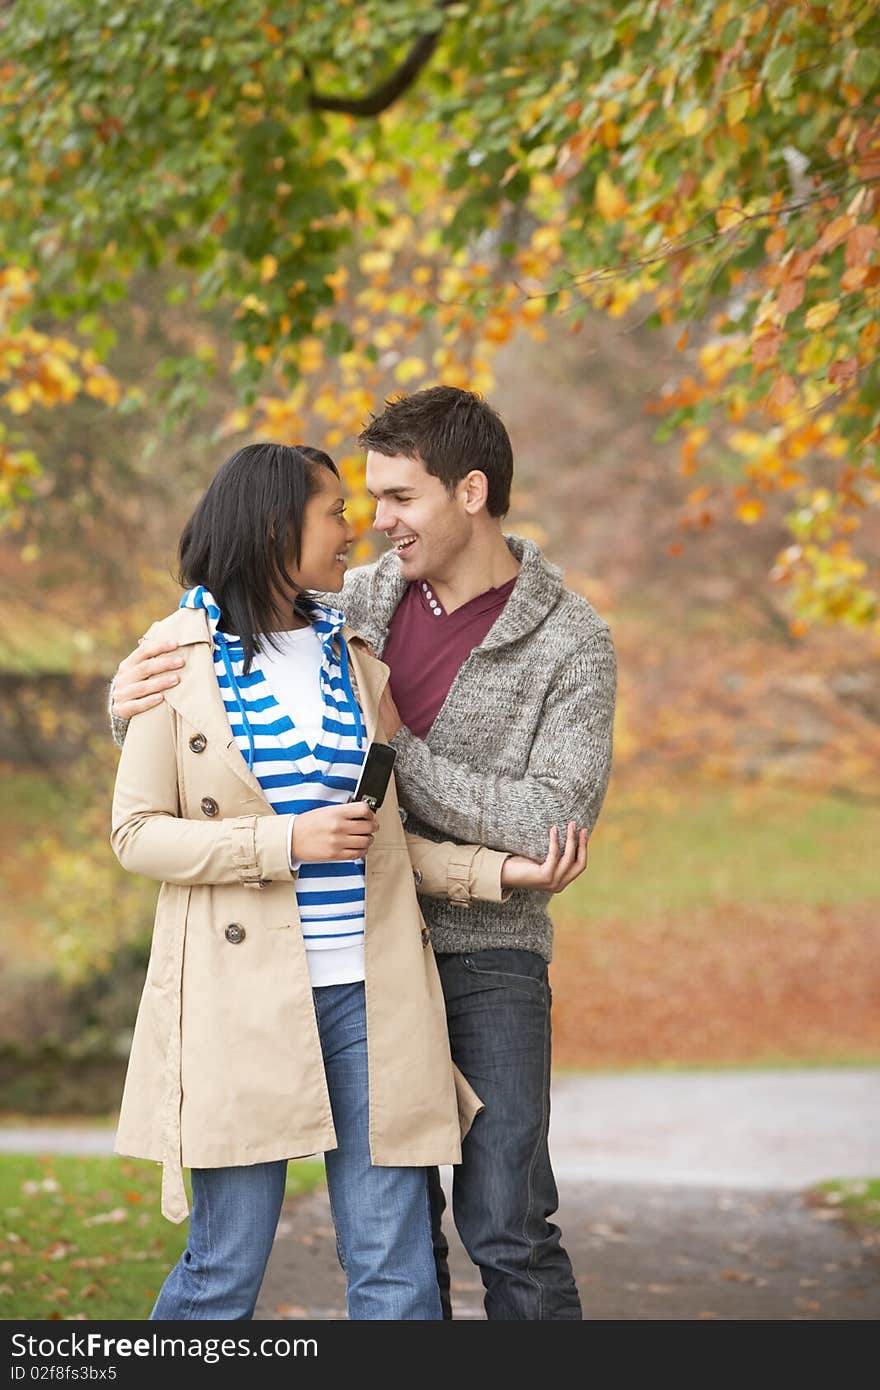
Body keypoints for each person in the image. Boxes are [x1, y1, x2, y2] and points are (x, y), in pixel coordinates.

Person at [109, 440, 589, 1321]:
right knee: (224, 1271)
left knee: (395, 1271)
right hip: (243, 1002)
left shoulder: (353, 657)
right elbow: (136, 833)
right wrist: (284, 841)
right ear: (272, 526)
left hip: (372, 1000)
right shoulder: (178, 655)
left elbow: (384, 841)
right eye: (334, 512)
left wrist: (504, 872)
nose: (354, 529)